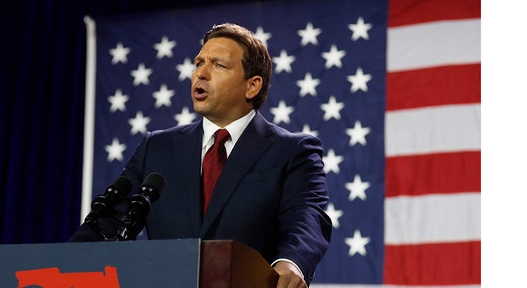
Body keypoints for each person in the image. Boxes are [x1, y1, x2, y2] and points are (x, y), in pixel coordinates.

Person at [69, 23, 332, 288]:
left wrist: (291, 261)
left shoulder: (292, 151)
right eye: (199, 63)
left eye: (218, 65)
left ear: (252, 86)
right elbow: (109, 222)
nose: (201, 74)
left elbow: (306, 217)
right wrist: (61, 262)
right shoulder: (156, 148)